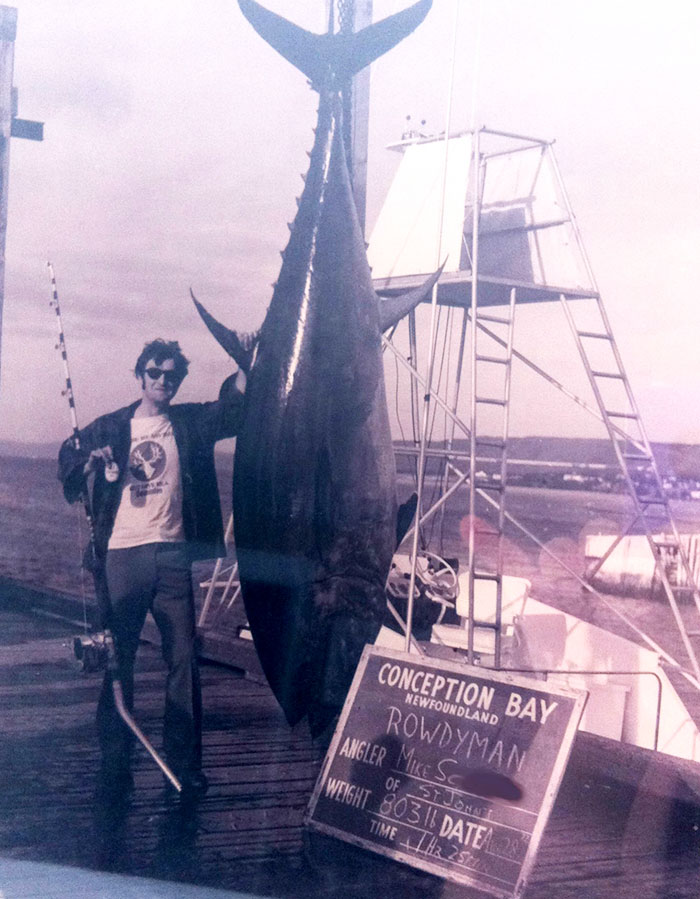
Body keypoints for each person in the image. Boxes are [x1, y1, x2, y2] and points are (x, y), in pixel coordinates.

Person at [58, 338, 245, 800]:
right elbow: (66, 458)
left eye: (171, 375)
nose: (163, 381)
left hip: (173, 556)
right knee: (118, 660)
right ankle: (116, 762)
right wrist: (89, 461)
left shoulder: (189, 421)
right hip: (121, 555)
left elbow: (233, 411)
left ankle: (184, 765)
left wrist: (246, 364)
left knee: (183, 660)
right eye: (155, 373)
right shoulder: (109, 426)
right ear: (140, 375)